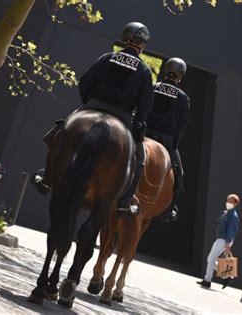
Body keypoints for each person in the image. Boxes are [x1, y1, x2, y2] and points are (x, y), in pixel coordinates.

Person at [32, 21, 154, 217]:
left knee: (59, 133)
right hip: (122, 115)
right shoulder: (144, 69)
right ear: (142, 45)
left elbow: (85, 82)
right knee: (139, 159)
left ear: (125, 39)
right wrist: (139, 119)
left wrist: (89, 102)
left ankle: (46, 179)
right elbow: (146, 101)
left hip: (94, 105)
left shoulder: (107, 58)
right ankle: (124, 202)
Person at [145, 57, 190, 222]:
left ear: (166, 70)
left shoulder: (152, 87)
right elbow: (181, 125)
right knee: (179, 173)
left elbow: (143, 106)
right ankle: (170, 210)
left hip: (144, 132)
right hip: (165, 139)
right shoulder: (183, 97)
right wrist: (174, 144)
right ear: (180, 76)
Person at [197, 194, 240, 289]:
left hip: (224, 240)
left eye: (230, 201)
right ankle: (226, 276)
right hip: (220, 238)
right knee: (211, 259)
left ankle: (207, 280)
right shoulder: (226, 212)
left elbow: (231, 230)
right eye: (227, 200)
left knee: (211, 259)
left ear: (235, 203)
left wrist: (228, 244)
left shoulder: (233, 216)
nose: (228, 203)